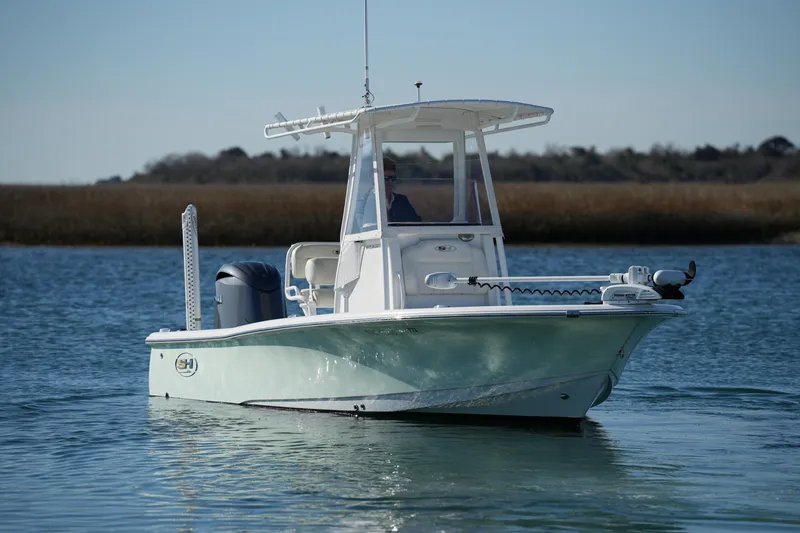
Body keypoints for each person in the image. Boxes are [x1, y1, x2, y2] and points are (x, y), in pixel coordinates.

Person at [383, 157, 421, 223]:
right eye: (385, 178)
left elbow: (417, 224)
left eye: (392, 178)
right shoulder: (363, 203)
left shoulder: (402, 200)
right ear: (372, 178)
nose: (389, 182)